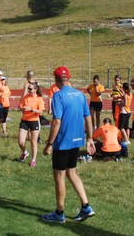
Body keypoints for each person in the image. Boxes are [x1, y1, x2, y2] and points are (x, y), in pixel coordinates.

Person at [41, 66, 96, 223]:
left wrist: (49, 143)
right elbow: (88, 118)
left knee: (59, 176)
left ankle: (59, 213)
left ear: (56, 80)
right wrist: (90, 138)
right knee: (72, 172)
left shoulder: (58, 96)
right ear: (69, 78)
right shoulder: (80, 95)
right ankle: (86, 206)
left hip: (62, 142)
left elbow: (56, 121)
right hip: (77, 140)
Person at [18, 82, 45, 167]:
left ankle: (33, 160)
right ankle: (25, 152)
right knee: (21, 141)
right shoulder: (25, 97)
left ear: (35, 90)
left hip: (34, 121)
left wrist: (31, 109)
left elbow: (41, 111)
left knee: (33, 142)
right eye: (28, 88)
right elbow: (20, 107)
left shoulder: (39, 99)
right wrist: (23, 108)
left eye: (30, 89)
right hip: (25, 120)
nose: (28, 90)